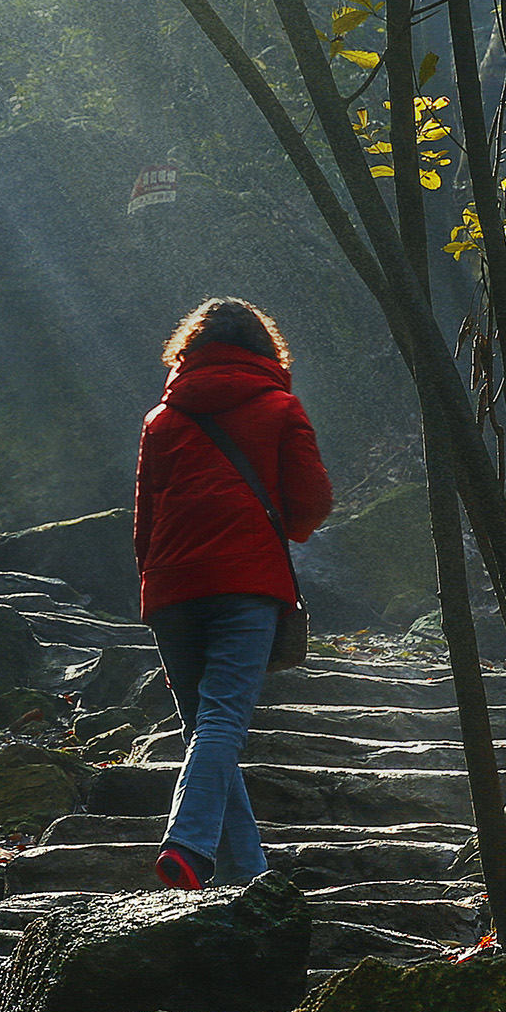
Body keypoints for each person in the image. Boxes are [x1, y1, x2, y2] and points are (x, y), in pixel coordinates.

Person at [131, 297, 331, 888]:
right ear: (265, 350)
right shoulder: (278, 406)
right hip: (245, 582)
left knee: (204, 728)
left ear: (187, 353)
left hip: (171, 587)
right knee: (220, 721)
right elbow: (313, 501)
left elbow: (144, 519)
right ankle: (188, 843)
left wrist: (155, 584)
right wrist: (277, 530)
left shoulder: (161, 420)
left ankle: (249, 875)